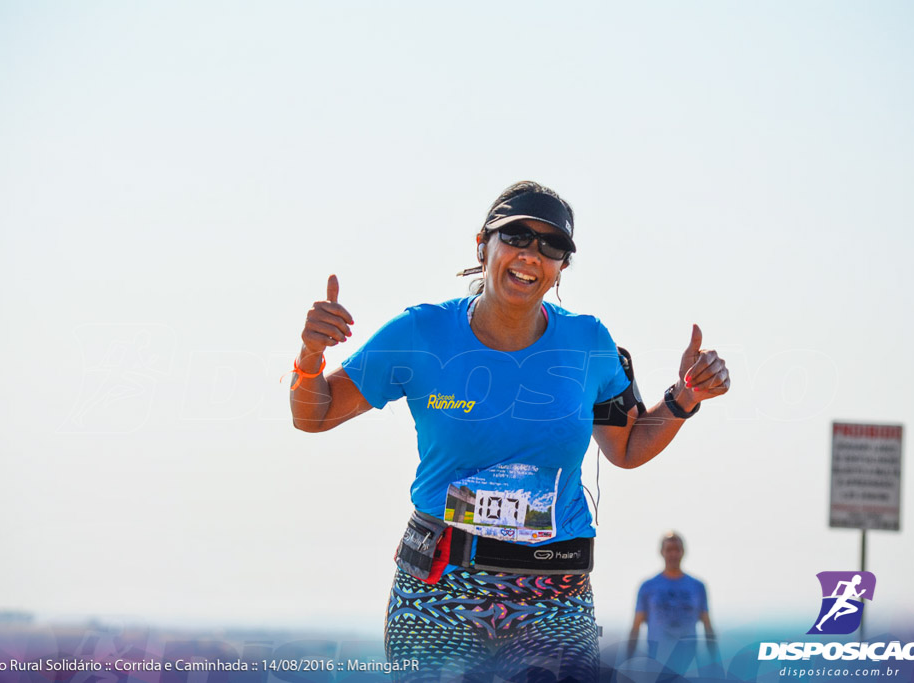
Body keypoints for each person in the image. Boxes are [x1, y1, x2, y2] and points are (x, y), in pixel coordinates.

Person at [290, 181, 730, 682]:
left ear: (562, 265)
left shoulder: (589, 343)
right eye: (517, 236)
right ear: (483, 244)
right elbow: (314, 413)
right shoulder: (421, 333)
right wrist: (310, 355)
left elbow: (626, 447)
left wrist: (684, 398)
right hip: (440, 590)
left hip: (554, 599)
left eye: (551, 246)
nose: (531, 255)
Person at [626, 532, 718, 679]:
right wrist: (628, 663)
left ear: (683, 552)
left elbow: (708, 626)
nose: (673, 554)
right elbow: (636, 627)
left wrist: (715, 662)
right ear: (662, 552)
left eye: (677, 549)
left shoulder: (697, 586)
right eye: (669, 550)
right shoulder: (648, 587)